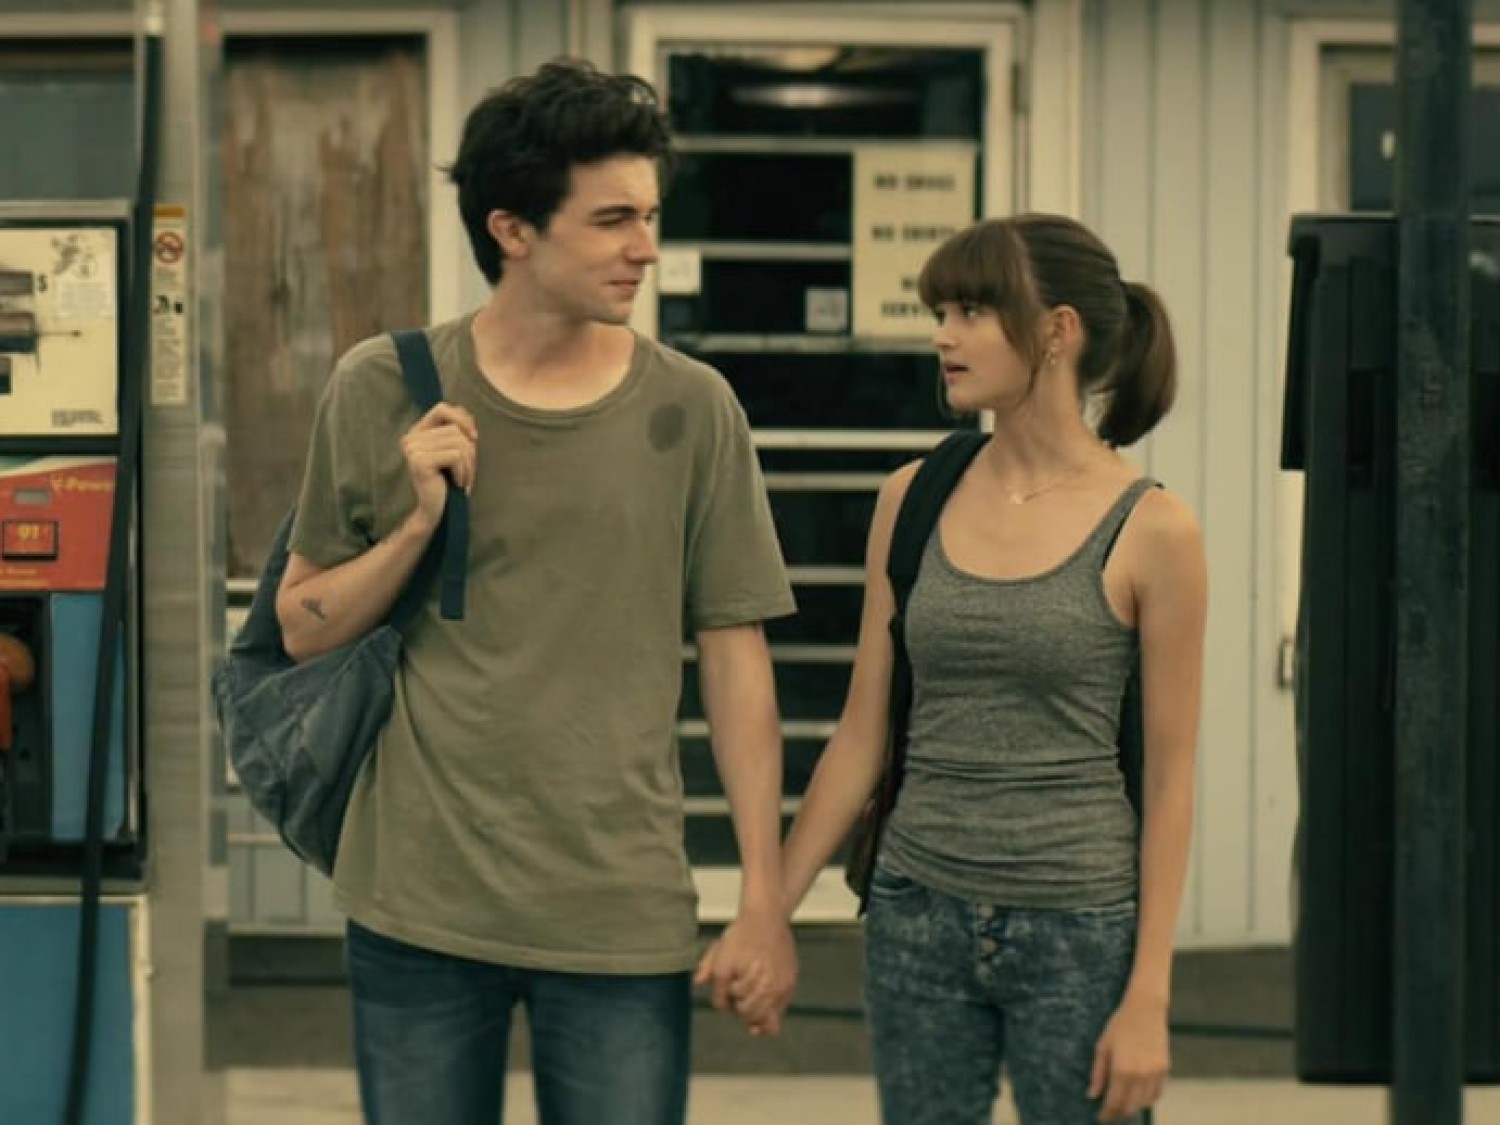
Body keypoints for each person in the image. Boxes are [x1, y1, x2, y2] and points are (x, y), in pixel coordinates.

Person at [275, 58, 798, 1125]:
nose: (645, 247)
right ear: (512, 230)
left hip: (618, 906)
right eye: (611, 220)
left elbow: (736, 662)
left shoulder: (694, 407)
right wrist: (417, 523)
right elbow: (300, 627)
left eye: (648, 216)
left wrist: (765, 898)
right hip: (418, 902)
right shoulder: (383, 385)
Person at [717, 214, 1208, 1123]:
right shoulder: (913, 497)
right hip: (916, 913)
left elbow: (1171, 781)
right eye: (940, 311)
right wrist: (767, 910)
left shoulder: (1154, 530)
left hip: (1080, 927)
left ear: (1058, 330)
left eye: (973, 311)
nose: (944, 334)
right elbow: (862, 733)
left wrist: (1149, 993)